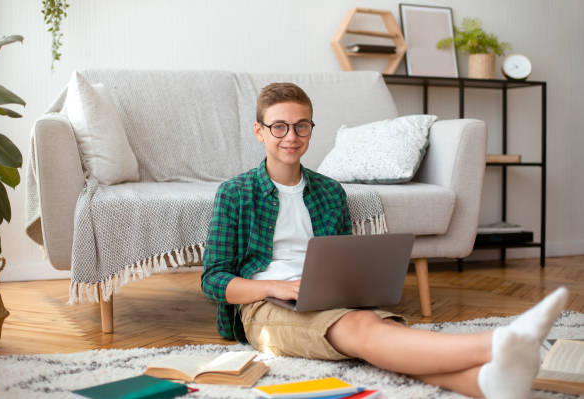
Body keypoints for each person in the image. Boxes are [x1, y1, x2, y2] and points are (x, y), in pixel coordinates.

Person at [201, 82, 568, 399]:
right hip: (265, 303)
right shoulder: (236, 193)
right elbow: (214, 279)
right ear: (259, 131)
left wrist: (351, 287)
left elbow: (342, 259)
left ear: (311, 129)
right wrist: (279, 287)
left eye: (301, 126)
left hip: (328, 295)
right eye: (279, 127)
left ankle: (485, 384)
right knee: (362, 330)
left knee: (382, 333)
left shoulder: (329, 191)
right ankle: (499, 342)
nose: (291, 137)